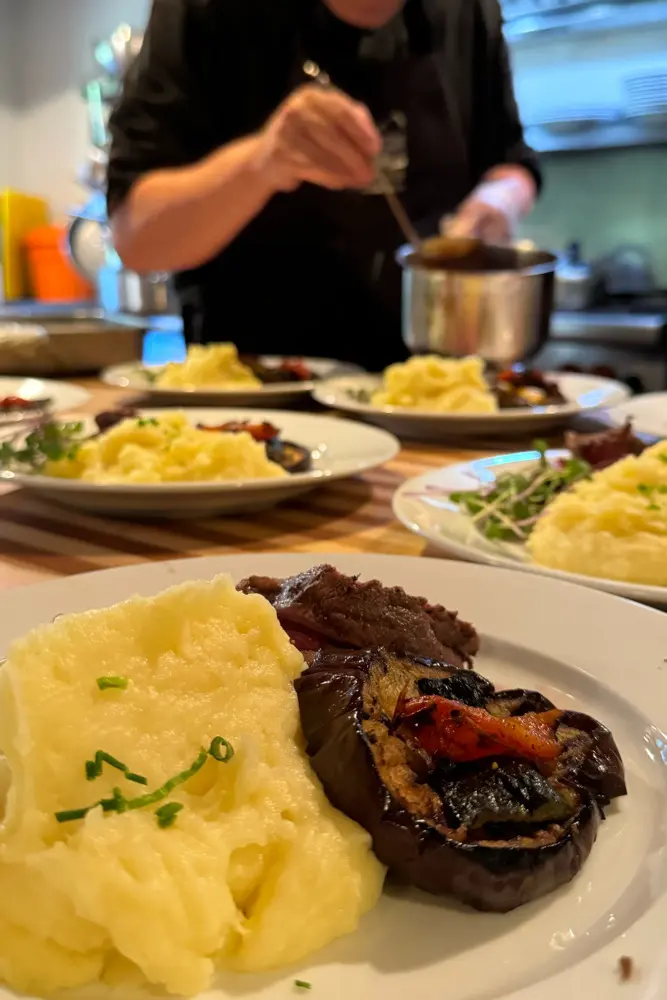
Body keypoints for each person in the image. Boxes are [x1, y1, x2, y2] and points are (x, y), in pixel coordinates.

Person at [107, 0, 541, 370]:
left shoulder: (467, 10)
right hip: (257, 414)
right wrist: (262, 162)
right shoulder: (207, 11)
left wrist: (498, 201)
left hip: (440, 402)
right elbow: (137, 237)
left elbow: (511, 162)